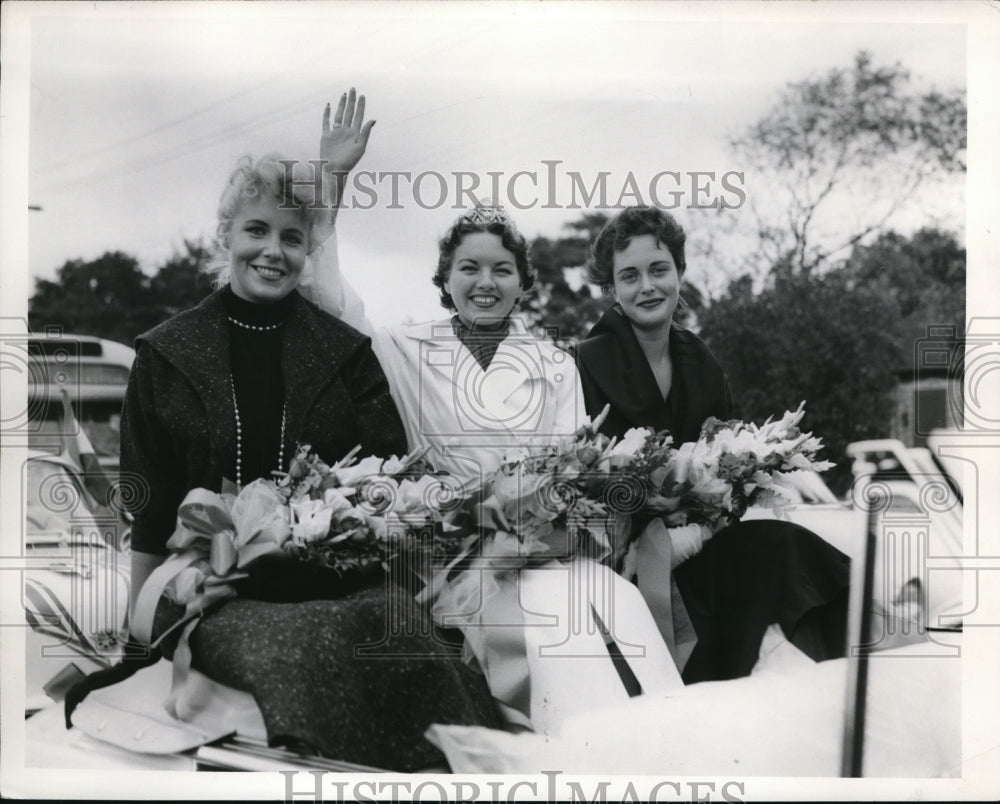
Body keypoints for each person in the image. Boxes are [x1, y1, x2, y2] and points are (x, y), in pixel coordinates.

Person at [112, 91, 500, 770]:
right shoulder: (165, 356)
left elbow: (391, 497)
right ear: (225, 235)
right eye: (257, 230)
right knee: (299, 651)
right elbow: (147, 514)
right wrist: (136, 638)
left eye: (293, 237)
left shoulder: (345, 352)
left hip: (338, 580)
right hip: (212, 588)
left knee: (399, 635)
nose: (273, 250)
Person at [307, 202, 684, 733]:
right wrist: (326, 208)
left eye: (502, 270)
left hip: (541, 548)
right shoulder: (404, 349)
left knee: (609, 598)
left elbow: (571, 473)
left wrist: (543, 525)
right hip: (450, 553)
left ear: (523, 283)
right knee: (545, 632)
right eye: (470, 268)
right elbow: (333, 305)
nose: (486, 283)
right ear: (446, 278)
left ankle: (646, 742)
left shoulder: (555, 364)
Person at [577, 205, 851, 683]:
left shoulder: (700, 360)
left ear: (680, 271)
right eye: (630, 276)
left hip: (703, 540)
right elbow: (581, 482)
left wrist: (705, 522)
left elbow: (727, 465)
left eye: (659, 270)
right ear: (611, 289)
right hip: (625, 560)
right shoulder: (583, 363)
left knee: (791, 548)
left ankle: (838, 687)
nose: (648, 287)